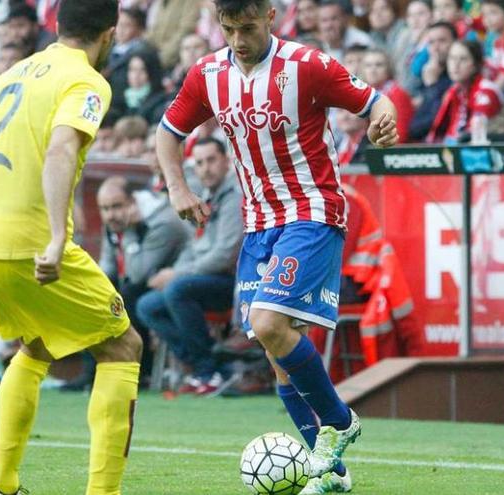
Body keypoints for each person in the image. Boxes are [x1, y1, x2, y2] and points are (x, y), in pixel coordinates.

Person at [155, 0, 398, 492]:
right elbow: (168, 131)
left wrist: (384, 123)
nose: (238, 40)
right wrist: (178, 188)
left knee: (268, 323)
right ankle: (330, 473)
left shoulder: (306, 66)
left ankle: (338, 421)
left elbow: (375, 101)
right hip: (259, 223)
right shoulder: (208, 73)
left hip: (312, 210)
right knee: (273, 348)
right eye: (228, 29)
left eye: (247, 27)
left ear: (270, 16)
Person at [0, 1, 142, 493]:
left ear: (54, 24)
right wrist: (55, 238)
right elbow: (61, 148)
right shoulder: (87, 81)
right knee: (122, 345)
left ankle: (2, 486)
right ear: (111, 34)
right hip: (28, 244)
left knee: (36, 343)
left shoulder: (8, 76)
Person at [137, 137, 243, 395]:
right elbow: (193, 247)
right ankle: (207, 366)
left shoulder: (234, 197)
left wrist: (177, 274)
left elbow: (225, 255)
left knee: (178, 289)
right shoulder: (206, 195)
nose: (205, 168)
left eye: (211, 160)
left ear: (226, 161)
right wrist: (171, 273)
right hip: (202, 278)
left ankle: (208, 371)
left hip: (234, 282)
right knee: (147, 305)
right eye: (199, 163)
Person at [97, 175, 189, 386]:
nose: (110, 215)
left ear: (133, 202)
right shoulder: (114, 224)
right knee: (98, 294)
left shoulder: (160, 222)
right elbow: (107, 267)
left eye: (116, 206)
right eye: (104, 209)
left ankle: (140, 369)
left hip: (173, 281)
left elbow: (137, 273)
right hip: (147, 283)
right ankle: (92, 373)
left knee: (129, 297)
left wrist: (130, 233)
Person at [427, 40, 502, 143]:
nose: (455, 64)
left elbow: (475, 136)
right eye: (452, 58)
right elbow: (438, 133)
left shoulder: (487, 92)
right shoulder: (453, 91)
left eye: (463, 59)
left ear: (476, 65)